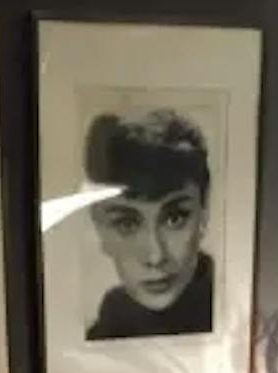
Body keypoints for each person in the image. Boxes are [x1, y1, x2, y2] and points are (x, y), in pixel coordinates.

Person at [84, 108, 215, 342]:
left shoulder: (230, 308)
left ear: (203, 213)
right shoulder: (111, 319)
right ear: (99, 227)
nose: (156, 257)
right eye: (127, 224)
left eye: (175, 219)